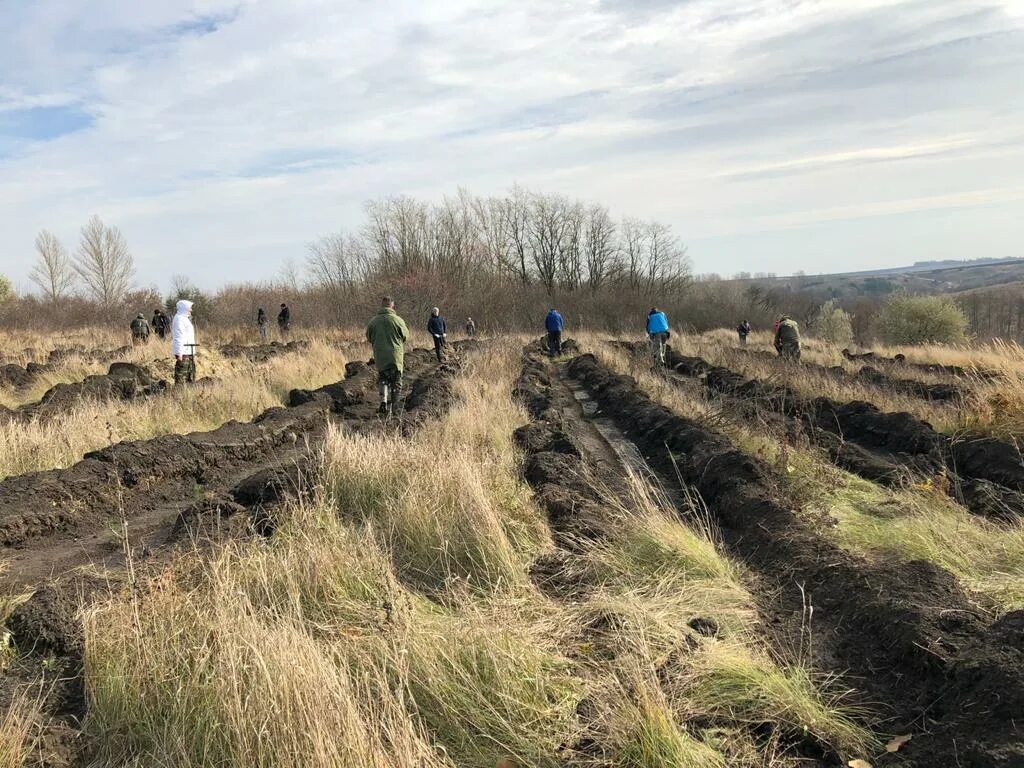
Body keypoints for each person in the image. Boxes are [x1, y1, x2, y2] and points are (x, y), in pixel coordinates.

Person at [366, 296, 410, 416]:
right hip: (395, 355)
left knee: (383, 379)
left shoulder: (373, 321)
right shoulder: (398, 320)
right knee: (396, 380)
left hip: (380, 355)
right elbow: (406, 336)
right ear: (392, 305)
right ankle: (395, 407)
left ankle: (383, 404)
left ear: (382, 305)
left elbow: (369, 337)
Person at [171, 299, 197, 385]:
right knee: (181, 380)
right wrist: (179, 353)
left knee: (190, 378)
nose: (191, 310)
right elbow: (179, 337)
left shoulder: (184, 319)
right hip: (184, 354)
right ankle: (179, 396)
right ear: (184, 308)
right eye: (190, 308)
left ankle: (188, 396)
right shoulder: (179, 319)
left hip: (188, 353)